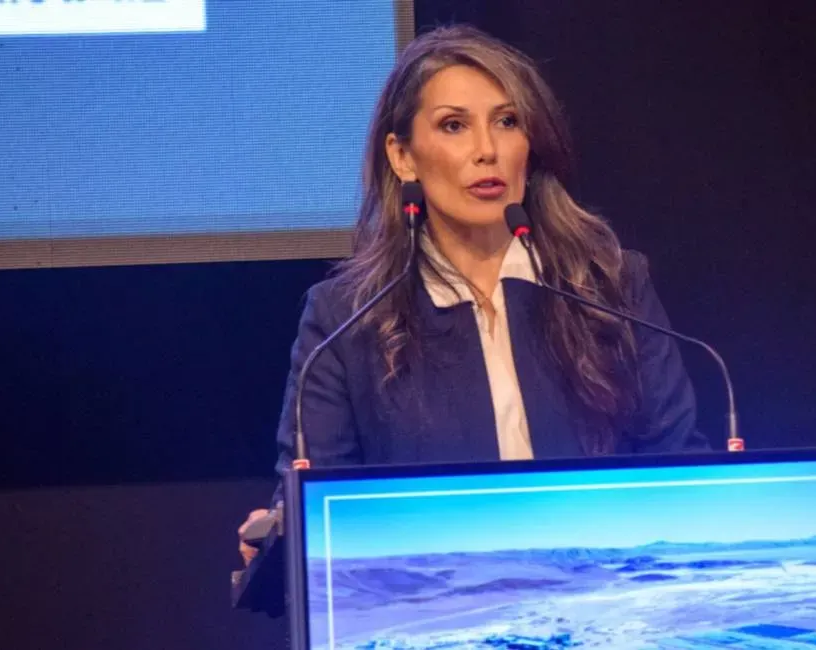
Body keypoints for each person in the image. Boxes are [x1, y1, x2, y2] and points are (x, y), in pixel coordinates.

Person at [238, 24, 709, 565]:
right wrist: (277, 534)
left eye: (506, 122)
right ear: (403, 156)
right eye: (454, 126)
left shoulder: (611, 288)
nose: (486, 150)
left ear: (529, 148)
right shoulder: (346, 320)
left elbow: (681, 474)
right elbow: (315, 505)